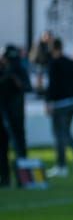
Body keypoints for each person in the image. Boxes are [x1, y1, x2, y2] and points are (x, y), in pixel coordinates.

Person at [44, 38, 73, 176]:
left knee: (59, 135)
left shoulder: (54, 64)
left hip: (59, 103)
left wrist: (48, 102)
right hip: (72, 102)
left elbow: (52, 85)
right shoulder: (72, 63)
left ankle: (61, 166)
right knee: (66, 131)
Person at [0, 45, 33, 187]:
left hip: (17, 115)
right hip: (3, 114)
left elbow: (27, 87)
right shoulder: (2, 71)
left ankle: (23, 179)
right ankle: (5, 178)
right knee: (2, 148)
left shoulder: (19, 70)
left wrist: (14, 79)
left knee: (19, 147)